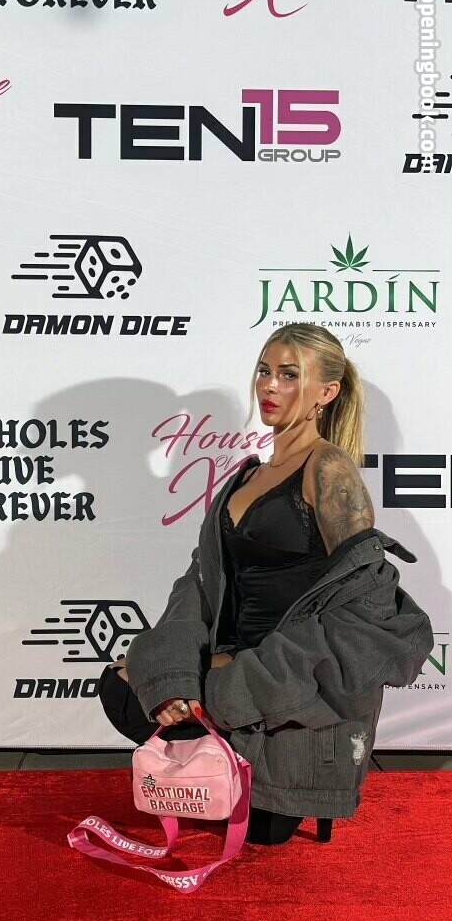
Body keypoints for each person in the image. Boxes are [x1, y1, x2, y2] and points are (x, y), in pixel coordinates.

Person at [98, 323, 433, 846]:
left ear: (327, 392)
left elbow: (365, 607)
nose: (270, 386)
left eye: (289, 375)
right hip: (226, 659)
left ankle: (232, 748)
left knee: (263, 832)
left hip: (283, 677)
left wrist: (238, 676)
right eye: (264, 371)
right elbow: (200, 585)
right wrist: (178, 676)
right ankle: (211, 741)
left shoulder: (330, 470)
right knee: (123, 684)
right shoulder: (247, 475)